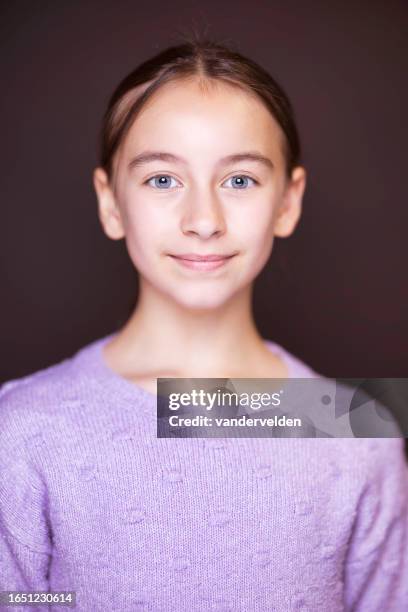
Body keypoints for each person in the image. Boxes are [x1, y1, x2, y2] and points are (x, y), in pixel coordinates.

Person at [1, 35, 407, 611]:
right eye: (162, 179)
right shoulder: (22, 434)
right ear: (111, 202)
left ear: (287, 202)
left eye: (239, 180)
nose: (203, 220)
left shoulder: (354, 430)